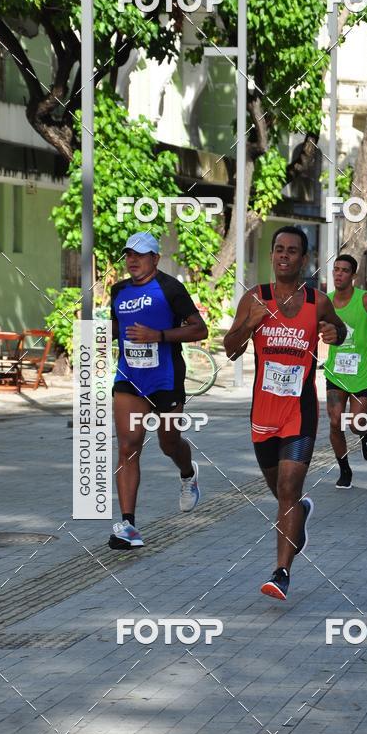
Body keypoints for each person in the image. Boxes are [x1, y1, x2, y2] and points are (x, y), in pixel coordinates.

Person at [223, 225, 346, 601]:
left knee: (289, 489)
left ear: (304, 259)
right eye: (279, 249)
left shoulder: (317, 301)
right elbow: (230, 349)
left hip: (300, 411)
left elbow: (339, 329)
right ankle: (298, 517)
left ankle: (281, 573)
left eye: (292, 250)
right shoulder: (254, 298)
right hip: (263, 412)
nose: (284, 255)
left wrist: (333, 333)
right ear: (272, 254)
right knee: (282, 494)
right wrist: (250, 323)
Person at [109, 231, 208, 549]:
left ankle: (188, 473)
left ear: (155, 258)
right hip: (130, 377)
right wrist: (95, 331)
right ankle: (128, 526)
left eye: (140, 254)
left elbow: (199, 329)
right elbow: (116, 327)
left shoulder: (171, 288)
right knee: (128, 446)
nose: (132, 260)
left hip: (166, 378)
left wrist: (159, 335)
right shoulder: (119, 290)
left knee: (169, 442)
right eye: (129, 254)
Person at [323, 254, 367, 488]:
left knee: (354, 423)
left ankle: (365, 431)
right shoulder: (326, 302)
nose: (338, 274)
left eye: (344, 270)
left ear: (353, 275)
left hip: (361, 373)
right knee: (335, 422)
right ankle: (344, 470)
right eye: (336, 269)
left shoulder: (366, 300)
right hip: (335, 373)